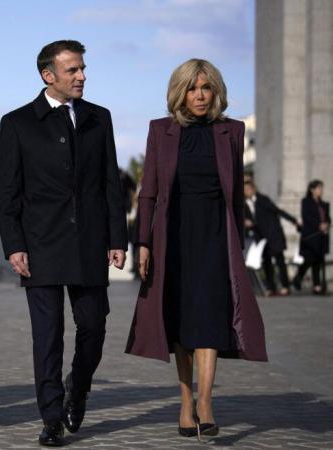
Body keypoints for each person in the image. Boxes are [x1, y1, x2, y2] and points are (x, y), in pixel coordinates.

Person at [126, 59, 267, 441]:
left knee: (210, 317)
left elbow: (236, 197)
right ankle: (185, 401)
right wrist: (143, 242)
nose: (200, 95)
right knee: (181, 321)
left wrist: (236, 242)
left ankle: (205, 402)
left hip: (216, 238)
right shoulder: (161, 131)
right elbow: (149, 192)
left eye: (206, 87)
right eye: (192, 88)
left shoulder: (232, 131)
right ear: (180, 92)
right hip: (173, 238)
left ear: (216, 90)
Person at [0, 40, 127, 446]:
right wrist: (14, 244)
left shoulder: (98, 118)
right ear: (47, 75)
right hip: (40, 246)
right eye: (72, 70)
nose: (82, 76)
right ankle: (51, 417)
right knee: (47, 335)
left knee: (94, 325)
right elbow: (7, 193)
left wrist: (116, 237)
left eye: (83, 68)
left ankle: (80, 385)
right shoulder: (17, 122)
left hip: (89, 243)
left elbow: (110, 184)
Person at [243, 180, 301, 296]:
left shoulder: (263, 199)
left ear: (254, 189)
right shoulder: (243, 204)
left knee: (280, 261)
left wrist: (294, 221)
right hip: (261, 238)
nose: (247, 191)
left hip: (273, 235)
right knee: (267, 263)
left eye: (249, 189)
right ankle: (271, 288)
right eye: (245, 190)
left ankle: (285, 286)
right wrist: (246, 223)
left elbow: (277, 211)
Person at [293, 180, 330, 295]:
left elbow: (328, 218)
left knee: (318, 261)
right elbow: (307, 217)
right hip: (310, 236)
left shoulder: (324, 204)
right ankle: (298, 278)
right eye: (318, 188)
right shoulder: (306, 202)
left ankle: (317, 285)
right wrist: (319, 225)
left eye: (321, 188)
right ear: (312, 189)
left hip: (321, 237)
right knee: (309, 259)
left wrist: (327, 224)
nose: (320, 191)